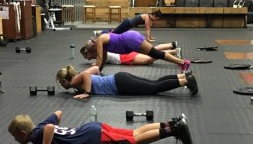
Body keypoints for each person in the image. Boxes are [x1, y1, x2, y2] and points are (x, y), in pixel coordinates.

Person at [8, 110, 193, 144]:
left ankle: (174, 129)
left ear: (23, 134)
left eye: (15, 137)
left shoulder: (35, 137)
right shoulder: (39, 125)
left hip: (93, 139)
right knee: (134, 132)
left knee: (134, 142)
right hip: (91, 127)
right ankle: (172, 122)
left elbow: (49, 129)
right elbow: (58, 113)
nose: (16, 141)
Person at [55, 64, 198, 97]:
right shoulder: (77, 80)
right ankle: (184, 76)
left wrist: (87, 92)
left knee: (153, 88)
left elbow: (87, 74)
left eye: (61, 83)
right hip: (119, 78)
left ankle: (186, 81)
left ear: (65, 80)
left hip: (119, 84)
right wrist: (100, 78)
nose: (62, 85)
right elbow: (96, 68)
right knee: (154, 83)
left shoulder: (74, 81)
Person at [82, 31, 190, 72]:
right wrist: (99, 71)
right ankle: (181, 61)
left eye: (93, 51)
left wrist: (92, 74)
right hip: (129, 40)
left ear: (94, 46)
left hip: (130, 40)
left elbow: (100, 58)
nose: (95, 53)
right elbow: (103, 59)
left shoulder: (100, 40)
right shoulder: (102, 44)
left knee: (156, 54)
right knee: (155, 53)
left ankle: (182, 62)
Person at [84, 42, 181, 67]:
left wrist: (96, 65)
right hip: (124, 56)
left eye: (86, 56)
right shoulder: (99, 55)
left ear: (89, 52)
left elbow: (100, 60)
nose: (86, 58)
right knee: (152, 52)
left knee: (150, 58)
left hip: (124, 57)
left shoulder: (99, 54)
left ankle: (174, 51)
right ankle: (173, 49)